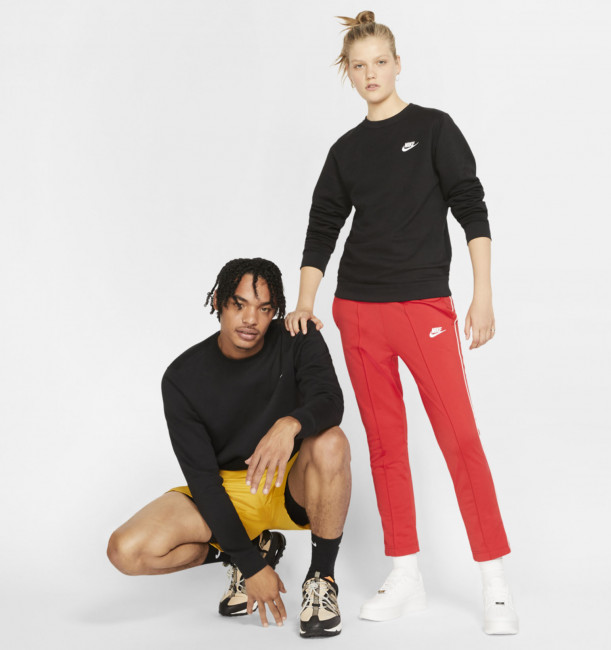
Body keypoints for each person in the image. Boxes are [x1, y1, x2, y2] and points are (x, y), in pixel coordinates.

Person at [284, 11, 518, 635]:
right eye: (359, 66)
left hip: (423, 307)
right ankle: (405, 573)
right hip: (358, 311)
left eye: (380, 63)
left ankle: (494, 580)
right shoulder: (345, 150)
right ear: (349, 72)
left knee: (459, 439)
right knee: (386, 446)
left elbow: (471, 207)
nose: (371, 75)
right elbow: (322, 227)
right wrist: (306, 300)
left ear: (397, 64)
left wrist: (483, 295)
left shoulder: (434, 128)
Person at [107, 257, 351, 639]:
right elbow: (204, 482)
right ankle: (252, 549)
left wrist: (289, 424)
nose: (251, 319)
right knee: (126, 550)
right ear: (219, 301)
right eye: (240, 305)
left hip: (290, 482)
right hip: (227, 492)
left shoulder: (297, 338)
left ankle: (321, 579)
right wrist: (251, 565)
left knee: (332, 440)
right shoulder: (182, 378)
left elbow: (331, 401)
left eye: (264, 308)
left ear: (276, 311)